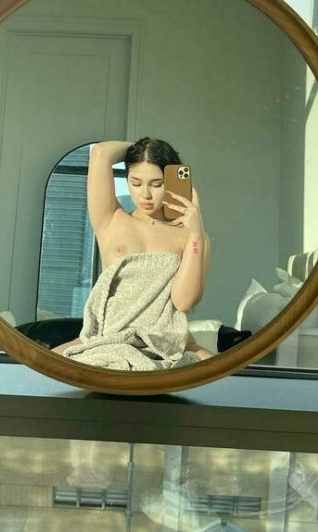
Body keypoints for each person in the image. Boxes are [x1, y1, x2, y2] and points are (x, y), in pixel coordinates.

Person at [51, 138, 215, 369]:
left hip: (168, 343)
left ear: (172, 180)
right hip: (110, 336)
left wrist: (195, 235)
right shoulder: (111, 219)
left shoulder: (192, 237)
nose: (145, 194)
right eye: (136, 182)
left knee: (230, 379)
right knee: (40, 367)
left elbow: (184, 302)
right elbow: (101, 152)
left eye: (157, 184)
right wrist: (144, 148)